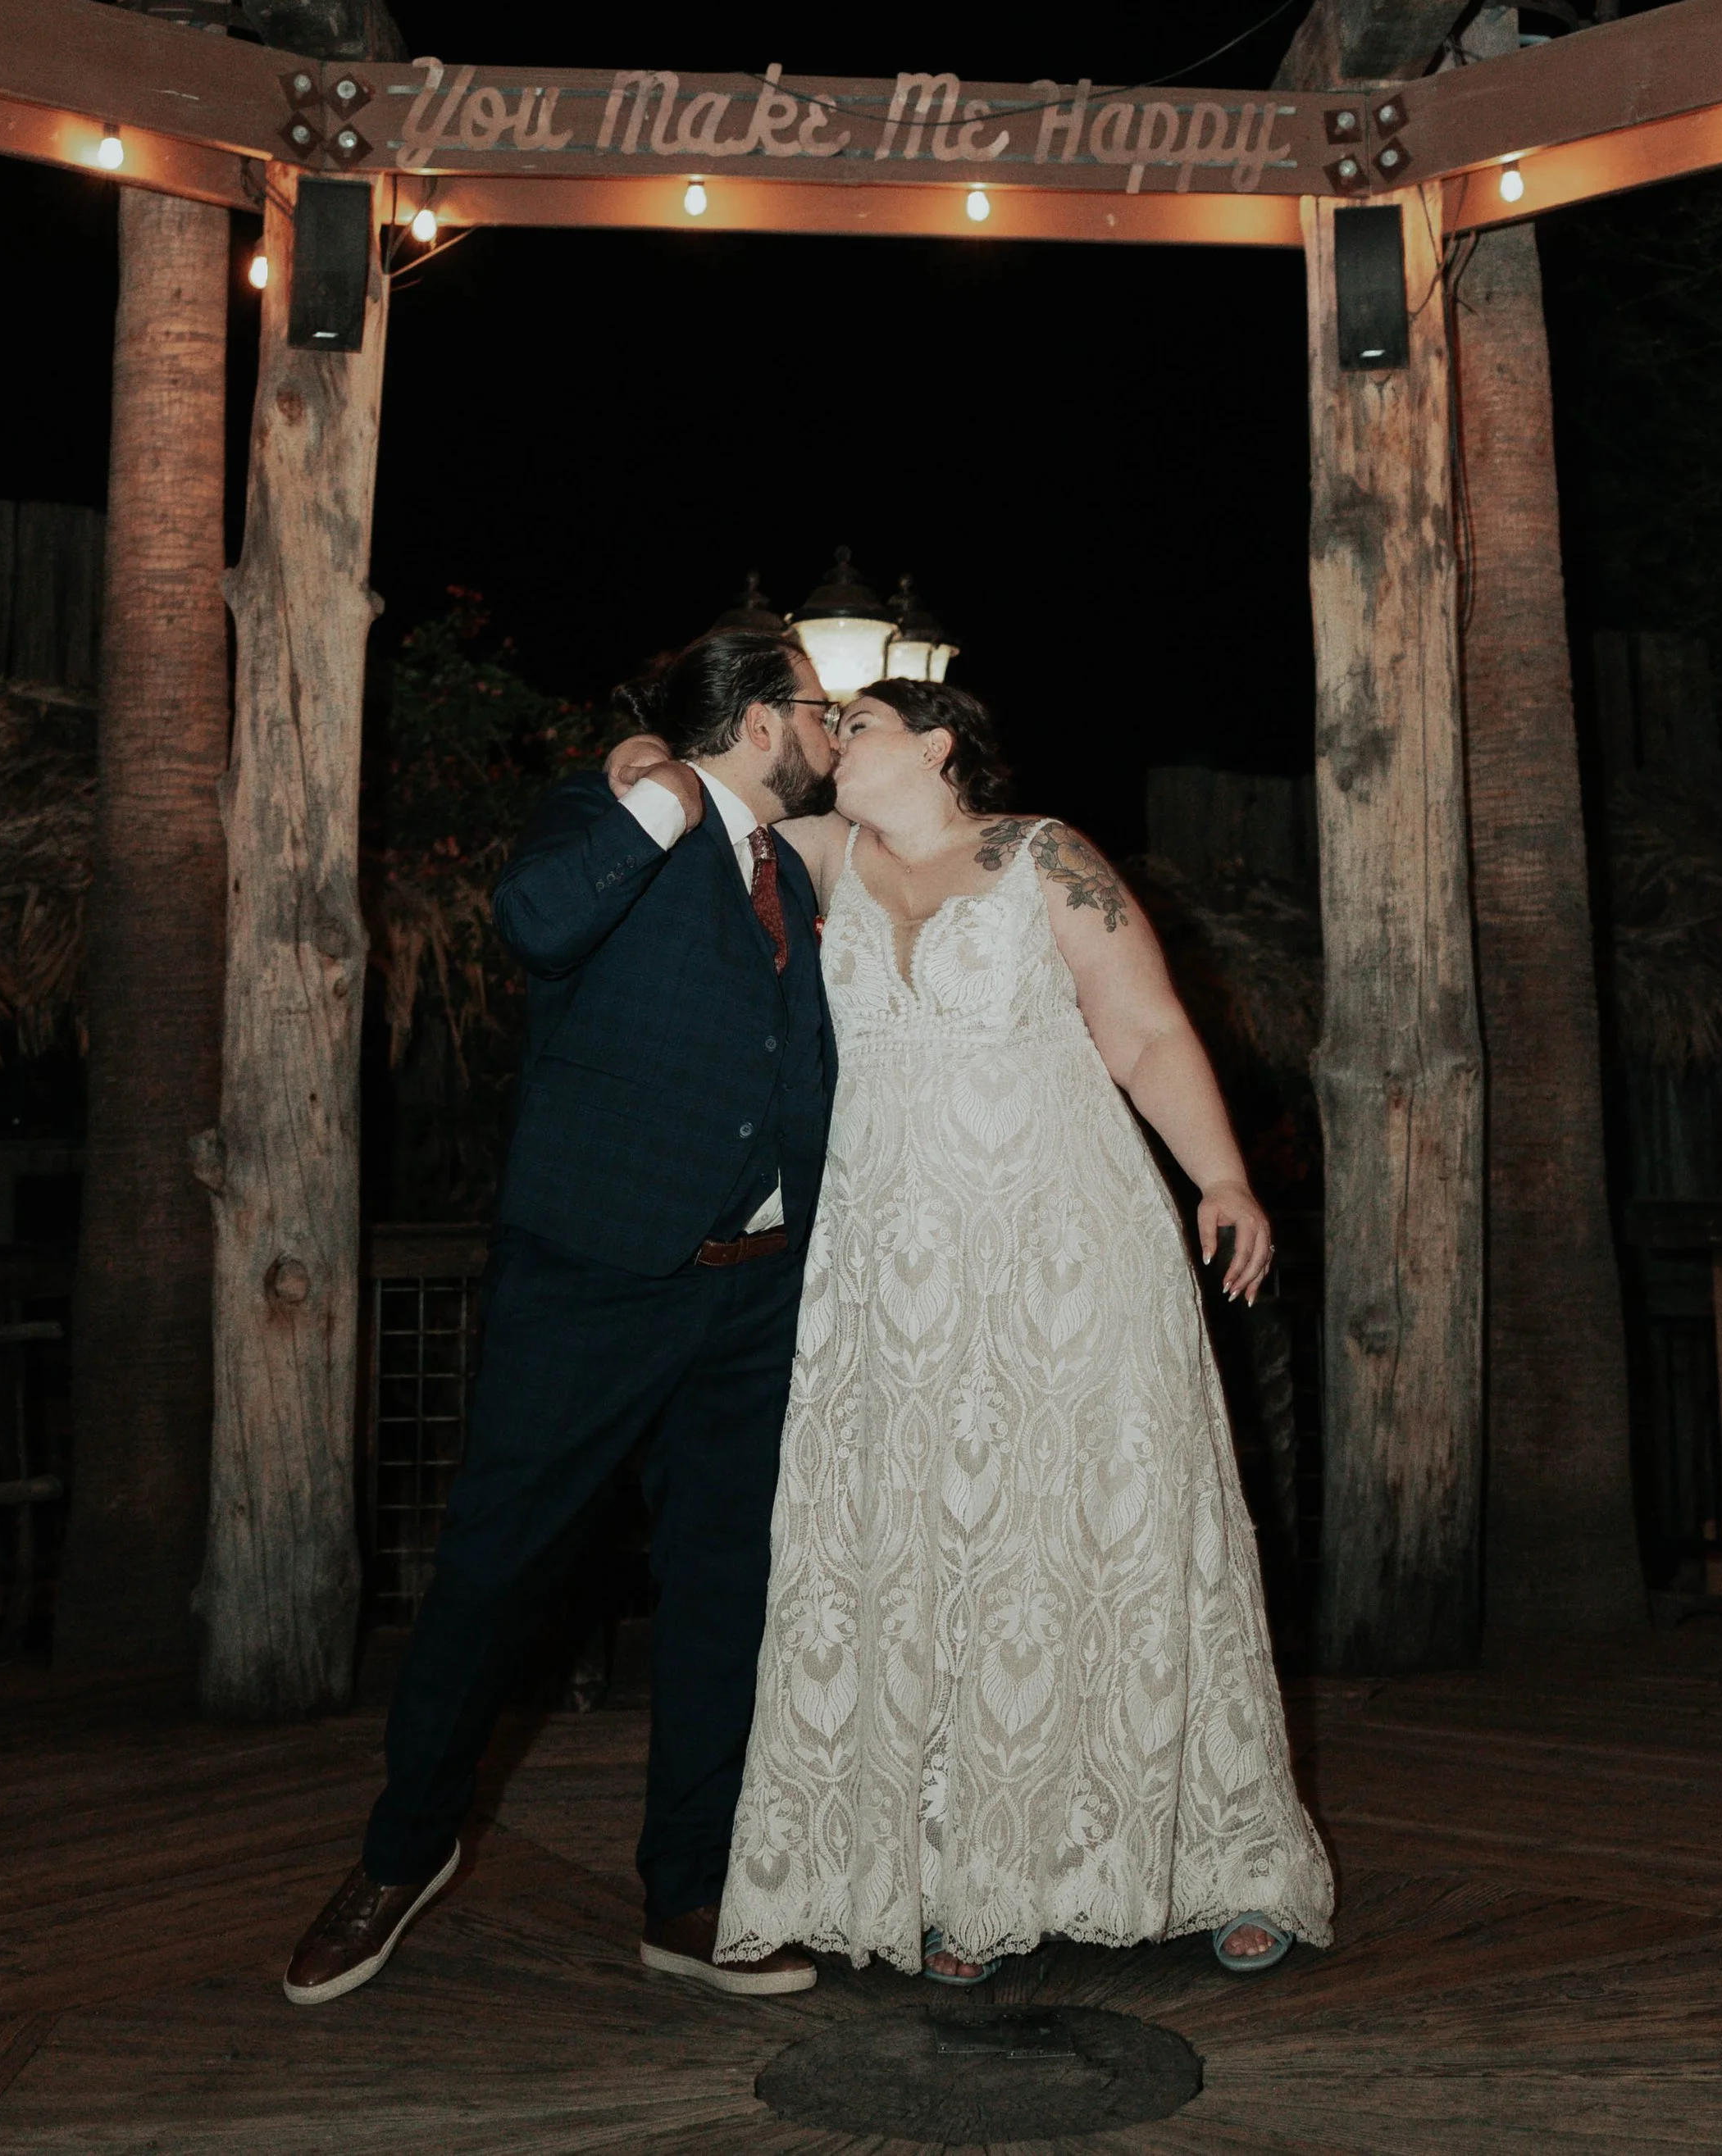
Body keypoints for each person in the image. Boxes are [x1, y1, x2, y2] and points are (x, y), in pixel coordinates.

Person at [614, 679, 1330, 1985]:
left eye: (864, 719)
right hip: (891, 1276)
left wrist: (1222, 1176)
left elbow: (1147, 1025)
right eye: (823, 719)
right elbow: (656, 780)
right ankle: (962, 1876)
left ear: (940, 743)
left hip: (1066, 1255)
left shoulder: (1041, 851)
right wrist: (644, 749)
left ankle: (1219, 1854)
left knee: (1088, 1533)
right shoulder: (822, 853)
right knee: (934, 1548)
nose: (837, 737)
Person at [283, 624, 843, 2008]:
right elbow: (533, 924)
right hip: (597, 1276)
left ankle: (690, 1894)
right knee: (495, 1571)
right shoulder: (607, 811)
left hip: (758, 1290)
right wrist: (655, 782)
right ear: (763, 723)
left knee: (727, 1596)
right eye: (821, 713)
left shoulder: (796, 869)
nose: (834, 734)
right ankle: (400, 1856)